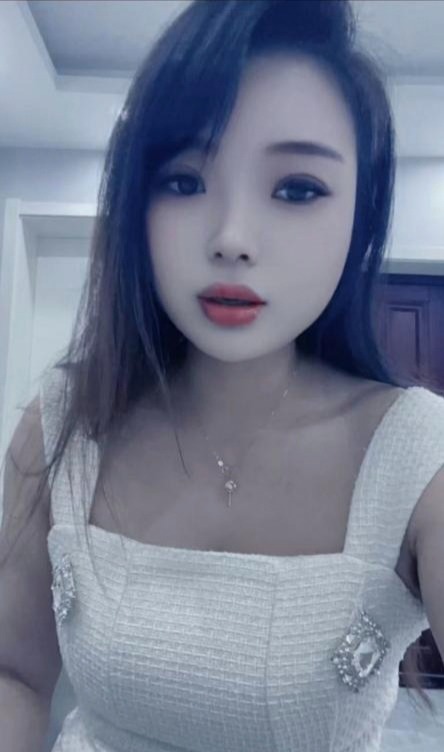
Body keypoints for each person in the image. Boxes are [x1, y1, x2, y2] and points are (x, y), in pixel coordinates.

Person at [1, 1, 444, 751]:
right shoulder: (62, 424)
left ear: (361, 211)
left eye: (296, 188)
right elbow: (13, 673)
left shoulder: (419, 459)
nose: (232, 238)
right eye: (182, 181)